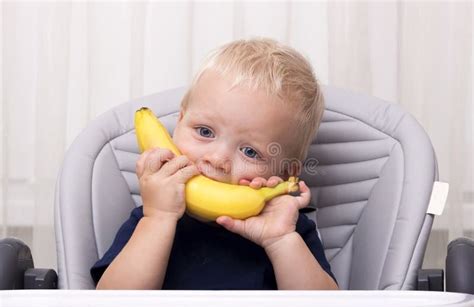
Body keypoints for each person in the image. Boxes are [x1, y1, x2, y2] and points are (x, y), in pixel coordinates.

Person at [91, 38, 339, 290]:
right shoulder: (151, 215)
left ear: (286, 173)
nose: (218, 160)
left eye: (250, 151)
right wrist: (158, 218)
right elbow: (109, 304)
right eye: (205, 132)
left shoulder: (287, 227)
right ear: (179, 123)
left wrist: (280, 240)